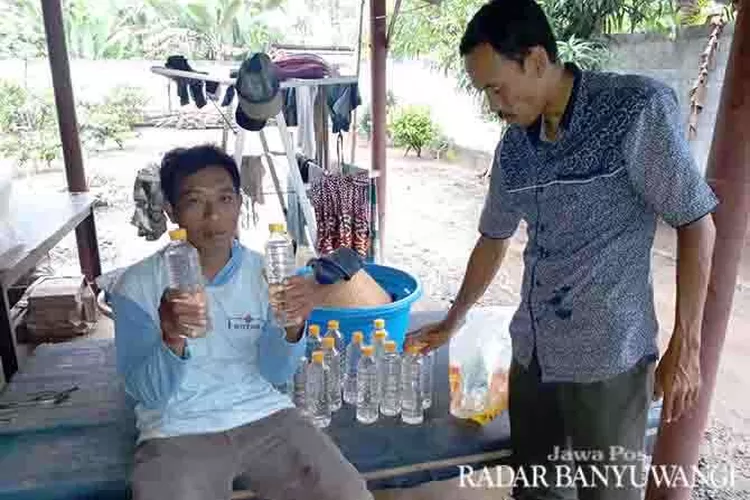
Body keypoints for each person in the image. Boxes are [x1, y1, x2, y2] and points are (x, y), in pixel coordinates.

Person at [406, 1, 718, 499]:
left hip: (607, 361)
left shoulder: (632, 112)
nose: (494, 104)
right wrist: (454, 317)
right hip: (534, 356)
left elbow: (696, 222)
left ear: (535, 60)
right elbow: (493, 237)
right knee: (536, 491)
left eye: (496, 87)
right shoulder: (515, 146)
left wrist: (689, 344)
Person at [110, 144, 373, 500]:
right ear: (171, 211)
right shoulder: (136, 286)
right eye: (194, 201)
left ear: (239, 203)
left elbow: (277, 374)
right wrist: (172, 337)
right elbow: (148, 394)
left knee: (346, 494)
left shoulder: (268, 273)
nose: (213, 216)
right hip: (177, 429)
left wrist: (293, 327)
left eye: (224, 199)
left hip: (266, 415)